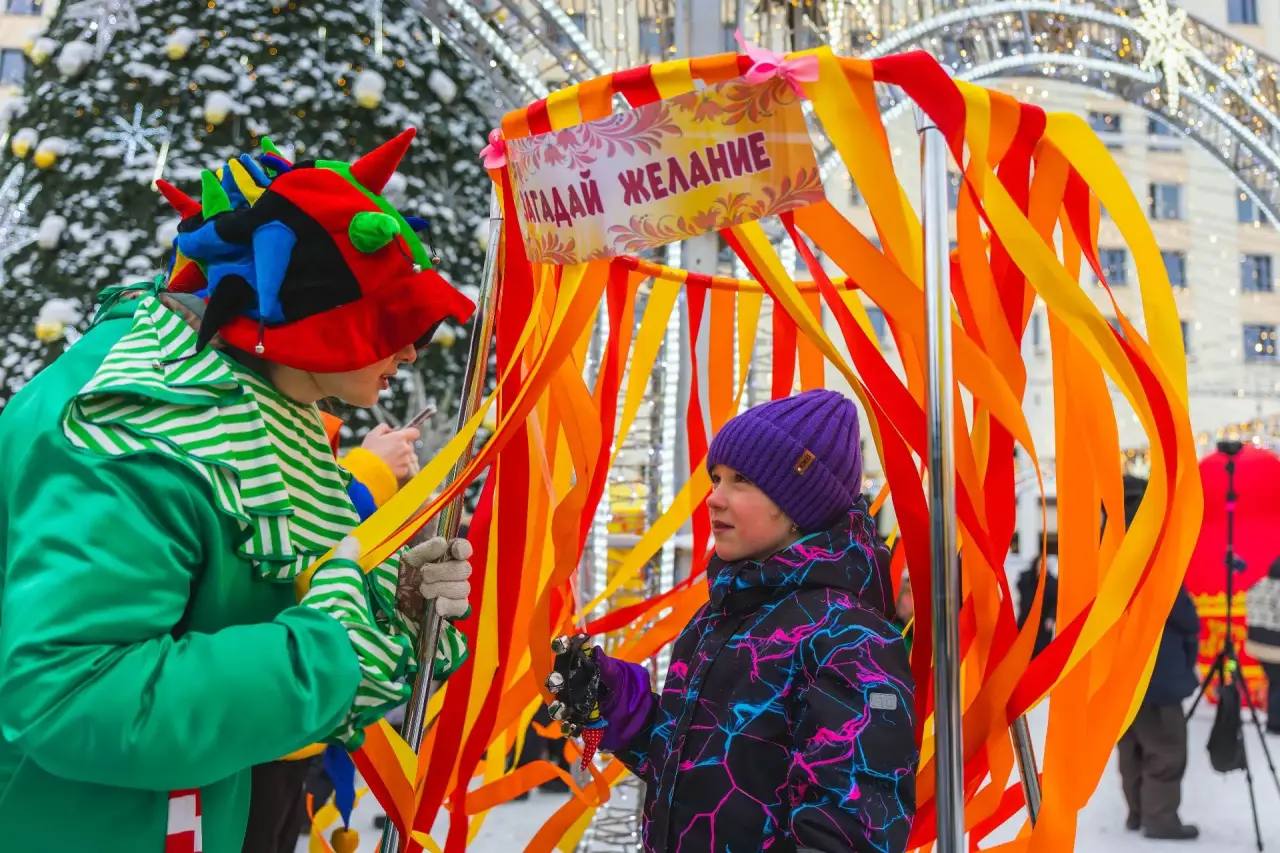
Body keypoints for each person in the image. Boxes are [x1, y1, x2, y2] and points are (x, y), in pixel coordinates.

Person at [0, 130, 476, 852]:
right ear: (317, 317)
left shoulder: (248, 393)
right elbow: (68, 695)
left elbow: (243, 608)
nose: (412, 349)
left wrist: (390, 607)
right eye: (394, 322)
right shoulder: (144, 421)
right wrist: (328, 652)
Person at [549, 389, 917, 851]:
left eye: (740, 480)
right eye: (716, 478)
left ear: (800, 505)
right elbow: (700, 770)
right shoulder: (717, 620)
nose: (713, 498)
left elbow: (852, 829)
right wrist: (618, 703)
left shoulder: (849, 637)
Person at [1116, 585, 1201, 840]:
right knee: (1166, 753)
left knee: (1131, 749)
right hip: (1159, 680)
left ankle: (1137, 813)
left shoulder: (1116, 567)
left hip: (1122, 678)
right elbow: (1188, 620)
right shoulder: (1164, 572)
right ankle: (1160, 819)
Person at [1245, 556, 1280, 733]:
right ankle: (1275, 725)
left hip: (1258, 647)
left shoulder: (1259, 585)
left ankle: (1273, 722)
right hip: (1276, 649)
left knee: (1275, 682)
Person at [1015, 554, 1058, 656]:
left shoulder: (1052, 583)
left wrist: (1051, 618)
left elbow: (1054, 603)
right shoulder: (1027, 579)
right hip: (1026, 622)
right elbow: (1020, 588)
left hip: (1043, 624)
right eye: (1040, 565)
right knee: (1025, 651)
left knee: (1041, 651)